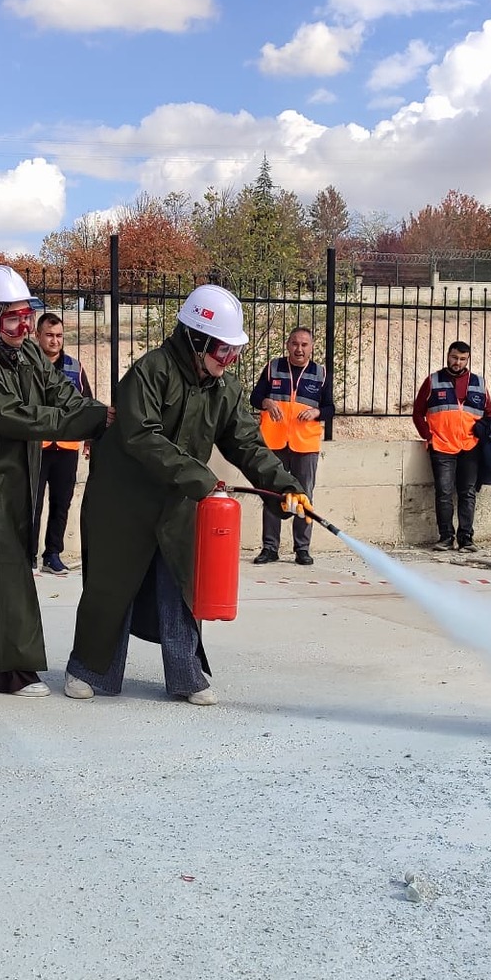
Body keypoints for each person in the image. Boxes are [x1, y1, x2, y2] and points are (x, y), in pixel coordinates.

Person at [65, 285, 310, 706]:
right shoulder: (150, 371)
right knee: (112, 588)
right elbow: (142, 436)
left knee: (179, 586)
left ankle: (185, 675)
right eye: (222, 351)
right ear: (196, 339)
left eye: (234, 352)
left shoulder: (225, 389)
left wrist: (285, 487)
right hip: (122, 502)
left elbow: (248, 445)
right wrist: (202, 478)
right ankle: (89, 670)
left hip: (178, 502)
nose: (229, 360)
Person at [0, 266, 108, 696]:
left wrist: (96, 412)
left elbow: (59, 393)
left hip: (9, 473)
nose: (23, 326)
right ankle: (13, 670)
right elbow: (14, 415)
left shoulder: (26, 353)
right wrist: (87, 421)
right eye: (12, 318)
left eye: (26, 316)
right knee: (3, 565)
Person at [249, 325, 333, 567]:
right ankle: (270, 548)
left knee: (303, 496)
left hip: (305, 444)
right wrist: (266, 401)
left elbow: (330, 408)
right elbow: (255, 397)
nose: (299, 349)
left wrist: (317, 412)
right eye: (295, 343)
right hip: (273, 441)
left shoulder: (321, 373)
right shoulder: (273, 368)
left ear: (312, 347)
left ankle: (302, 549)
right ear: (287, 345)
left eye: (304, 345)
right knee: (272, 494)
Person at [32, 310, 98, 577]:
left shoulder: (74, 367)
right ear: (37, 336)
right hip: (37, 446)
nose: (55, 340)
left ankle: (53, 554)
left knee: (62, 503)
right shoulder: (29, 365)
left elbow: (86, 403)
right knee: (32, 504)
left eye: (59, 336)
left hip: (67, 447)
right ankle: (28, 556)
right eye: (49, 335)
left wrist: (90, 439)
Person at [413, 340, 491, 552]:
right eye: (454, 358)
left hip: (470, 447)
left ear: (467, 359)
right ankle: (446, 538)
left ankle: (466, 539)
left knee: (467, 492)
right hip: (441, 446)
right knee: (444, 492)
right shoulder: (433, 381)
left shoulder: (479, 382)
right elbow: (418, 412)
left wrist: (481, 431)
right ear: (447, 356)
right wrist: (428, 436)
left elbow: (490, 414)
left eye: (462, 359)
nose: (457, 362)